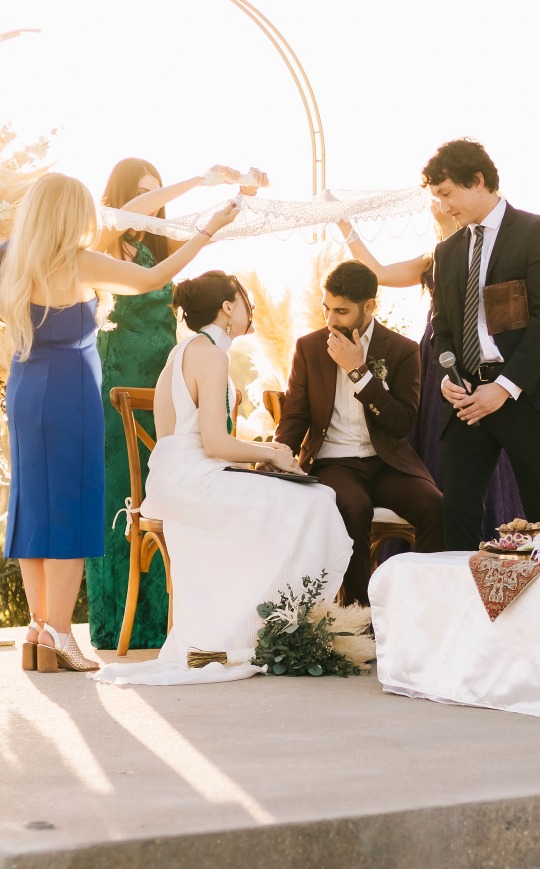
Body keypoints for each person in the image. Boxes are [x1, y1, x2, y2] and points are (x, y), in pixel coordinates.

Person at [0, 174, 236, 673]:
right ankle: (59, 632)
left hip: (25, 386)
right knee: (71, 509)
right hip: (69, 385)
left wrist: (196, 182)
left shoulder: (10, 261)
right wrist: (207, 231)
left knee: (33, 507)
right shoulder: (74, 262)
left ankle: (38, 629)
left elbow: (130, 211)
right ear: (68, 216)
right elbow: (150, 279)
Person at [97, 271, 352, 686]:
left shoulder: (185, 351)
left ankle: (261, 625)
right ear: (228, 307)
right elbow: (215, 442)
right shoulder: (211, 354)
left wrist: (258, 459)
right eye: (245, 299)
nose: (251, 307)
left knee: (291, 499)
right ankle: (271, 629)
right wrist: (272, 453)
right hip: (194, 485)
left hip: (181, 480)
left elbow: (197, 442)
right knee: (316, 500)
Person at [86, 158, 266, 653]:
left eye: (157, 192)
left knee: (167, 482)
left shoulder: (163, 247)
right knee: (122, 490)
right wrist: (198, 183)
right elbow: (126, 213)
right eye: (145, 193)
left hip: (164, 374)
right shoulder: (112, 238)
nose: (155, 202)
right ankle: (117, 618)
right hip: (120, 371)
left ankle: (172, 616)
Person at [424, 137, 540, 548]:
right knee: (457, 514)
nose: (444, 207)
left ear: (478, 180)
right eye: (437, 197)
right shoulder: (446, 251)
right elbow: (443, 327)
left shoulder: (538, 232)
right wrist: (448, 376)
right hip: (466, 399)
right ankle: (469, 608)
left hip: (526, 393)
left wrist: (503, 389)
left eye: (447, 194)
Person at [336, 209, 525, 536]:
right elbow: (376, 272)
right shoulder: (432, 259)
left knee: (476, 438)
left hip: (475, 357)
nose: (435, 203)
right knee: (434, 438)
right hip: (434, 356)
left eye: (443, 195)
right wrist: (343, 223)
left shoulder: (488, 252)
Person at [274, 261, 443, 610]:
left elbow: (402, 423)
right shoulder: (309, 347)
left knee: (434, 506)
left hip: (387, 461)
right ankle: (358, 615)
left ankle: (424, 608)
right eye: (326, 309)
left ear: (369, 306)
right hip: (335, 462)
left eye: (341, 310)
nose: (331, 319)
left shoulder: (402, 349)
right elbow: (295, 415)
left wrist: (360, 374)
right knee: (354, 507)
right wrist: (277, 458)